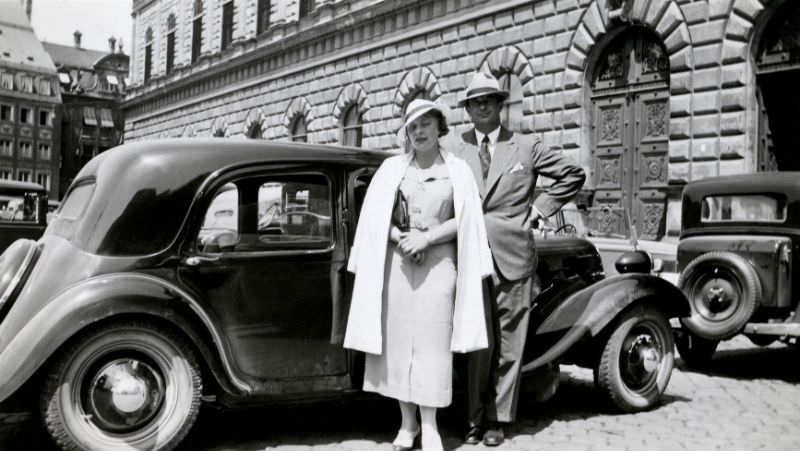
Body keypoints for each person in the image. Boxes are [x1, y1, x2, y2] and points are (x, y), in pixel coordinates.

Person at [344, 99, 494, 451]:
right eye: (413, 127)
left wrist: (427, 236)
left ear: (439, 127)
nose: (419, 132)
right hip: (398, 262)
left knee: (432, 346)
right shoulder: (392, 169)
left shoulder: (458, 170)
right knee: (397, 346)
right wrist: (402, 238)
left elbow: (466, 219)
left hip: (440, 263)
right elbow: (376, 217)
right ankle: (407, 424)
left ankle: (431, 427)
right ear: (406, 134)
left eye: (426, 124)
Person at [452, 72, 586, 447]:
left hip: (512, 258)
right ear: (467, 109)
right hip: (464, 256)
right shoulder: (453, 146)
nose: (482, 106)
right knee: (472, 341)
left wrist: (540, 210)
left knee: (509, 343)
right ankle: (471, 416)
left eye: (489, 100)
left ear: (500, 105)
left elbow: (573, 174)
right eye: (475, 101)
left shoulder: (525, 146)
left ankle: (497, 419)